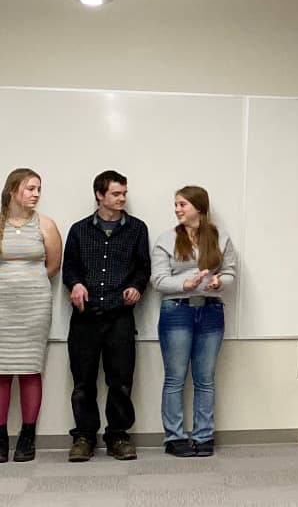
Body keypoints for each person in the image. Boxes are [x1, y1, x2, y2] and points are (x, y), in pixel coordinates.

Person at [62, 170, 150, 462]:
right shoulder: (79, 230)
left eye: (124, 193)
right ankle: (85, 437)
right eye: (116, 193)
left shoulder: (137, 229)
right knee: (83, 382)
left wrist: (136, 287)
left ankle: (118, 436)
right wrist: (75, 283)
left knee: (121, 381)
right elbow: (70, 266)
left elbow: (143, 267)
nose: (122, 198)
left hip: (119, 316)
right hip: (85, 317)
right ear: (100, 195)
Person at [151, 186, 236, 457]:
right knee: (175, 378)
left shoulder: (220, 238)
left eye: (182, 204)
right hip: (177, 311)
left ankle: (203, 436)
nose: (177, 209)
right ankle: (174, 437)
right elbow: (158, 280)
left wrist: (217, 281)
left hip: (211, 311)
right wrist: (185, 284)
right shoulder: (166, 239)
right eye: (175, 204)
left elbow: (231, 274)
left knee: (205, 378)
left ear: (199, 207)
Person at [0, 168, 61, 463]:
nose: (36, 194)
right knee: (1, 372)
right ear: (13, 190)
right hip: (1, 307)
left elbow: (53, 265)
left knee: (29, 369)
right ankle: (0, 436)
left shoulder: (45, 224)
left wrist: (28, 283)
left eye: (39, 188)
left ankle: (27, 436)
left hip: (34, 304)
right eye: (30, 188)